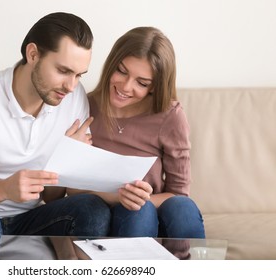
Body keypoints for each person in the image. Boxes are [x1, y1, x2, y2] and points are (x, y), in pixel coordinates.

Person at [0, 12, 111, 238]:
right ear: (32, 54)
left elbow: (52, 197)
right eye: (63, 71)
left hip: (27, 220)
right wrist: (4, 189)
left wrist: (64, 157)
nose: (71, 86)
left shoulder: (73, 98)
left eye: (79, 75)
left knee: (93, 210)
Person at [68, 26, 205, 238]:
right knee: (137, 210)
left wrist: (140, 199)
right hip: (99, 214)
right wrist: (118, 197)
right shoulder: (84, 106)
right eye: (121, 71)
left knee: (180, 208)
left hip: (152, 214)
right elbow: (72, 190)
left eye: (142, 83)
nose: (125, 86)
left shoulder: (170, 116)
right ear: (111, 64)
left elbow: (179, 194)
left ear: (154, 87)